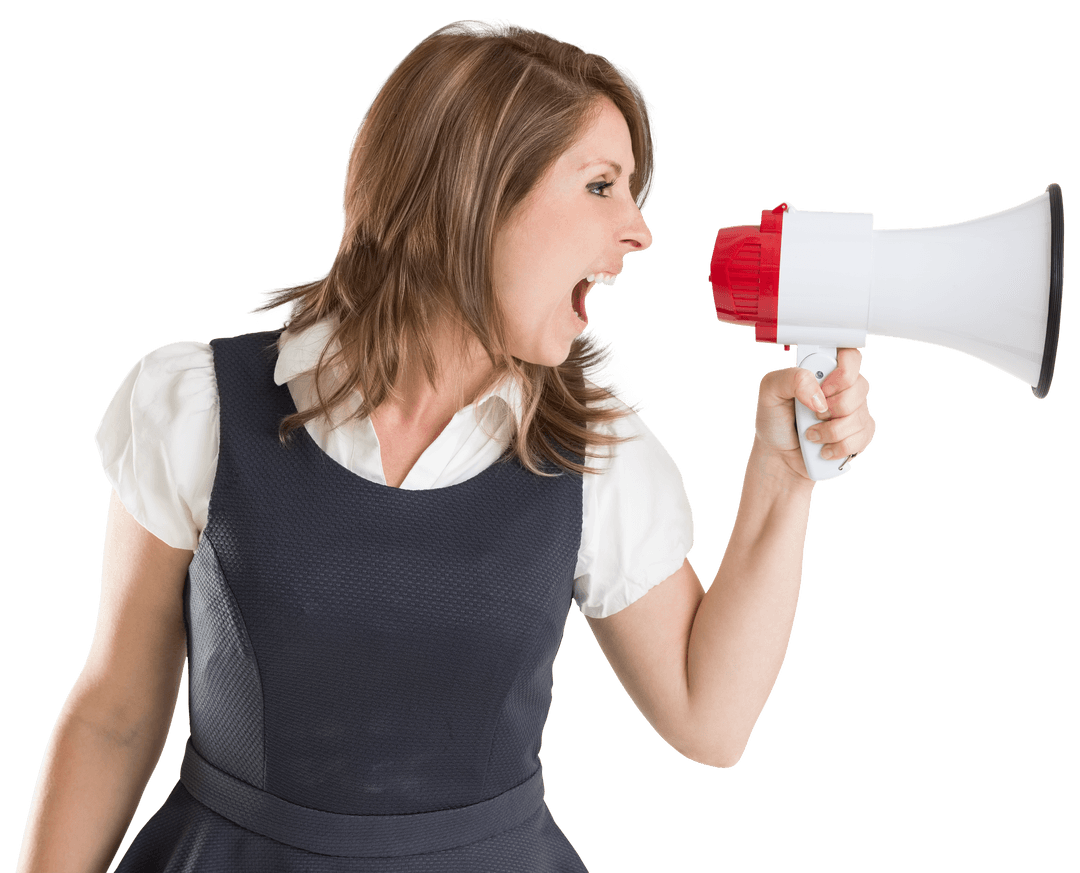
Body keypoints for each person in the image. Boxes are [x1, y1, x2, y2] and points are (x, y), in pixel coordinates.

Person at [17, 18, 875, 873]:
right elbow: (115, 714)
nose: (640, 231)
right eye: (602, 185)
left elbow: (710, 720)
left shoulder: (598, 451)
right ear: (475, 190)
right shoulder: (199, 405)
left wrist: (784, 472)